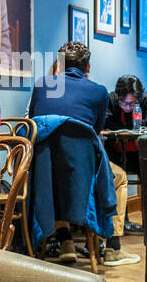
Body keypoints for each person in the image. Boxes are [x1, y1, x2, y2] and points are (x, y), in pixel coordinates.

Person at [29, 42, 138, 267]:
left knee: (56, 177)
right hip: (82, 172)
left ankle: (65, 240)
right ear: (87, 66)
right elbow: (94, 133)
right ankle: (113, 248)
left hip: (44, 172)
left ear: (59, 64)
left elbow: (36, 126)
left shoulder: (41, 86)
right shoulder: (98, 92)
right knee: (120, 177)